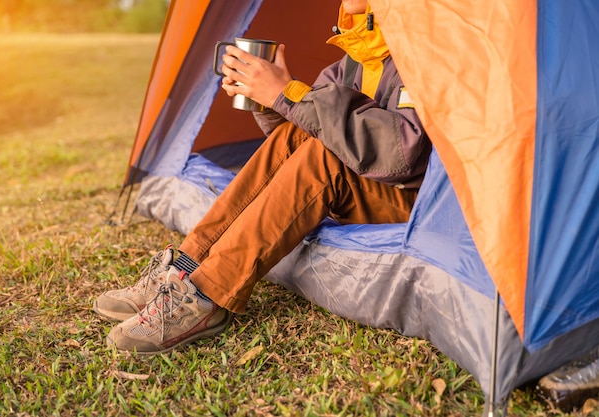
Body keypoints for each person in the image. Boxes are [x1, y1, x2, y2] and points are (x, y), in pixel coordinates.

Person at [93, 0, 431, 354]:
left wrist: (289, 93)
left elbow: (401, 155)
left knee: (320, 155)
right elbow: (302, 136)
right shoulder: (356, 55)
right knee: (299, 137)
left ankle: (208, 293)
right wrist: (271, 102)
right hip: (370, 185)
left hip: (415, 200)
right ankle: (186, 267)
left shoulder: (423, 48)